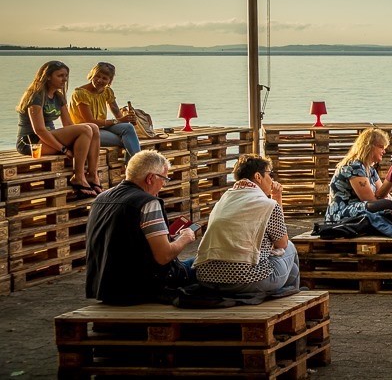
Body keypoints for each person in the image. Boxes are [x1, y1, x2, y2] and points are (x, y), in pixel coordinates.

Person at [86, 149, 197, 305]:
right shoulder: (148, 203)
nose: (164, 185)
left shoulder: (100, 198)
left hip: (105, 288)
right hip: (140, 288)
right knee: (206, 263)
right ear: (151, 178)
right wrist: (185, 238)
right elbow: (163, 256)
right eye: (164, 179)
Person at [195, 154, 299, 295]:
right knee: (290, 248)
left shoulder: (223, 200)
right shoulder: (267, 205)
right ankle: (292, 296)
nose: (272, 179)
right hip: (246, 279)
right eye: (270, 174)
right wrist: (277, 197)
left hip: (207, 279)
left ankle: (287, 292)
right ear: (258, 177)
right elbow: (282, 243)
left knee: (292, 269)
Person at [14, 60, 102, 197]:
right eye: (60, 76)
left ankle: (92, 174)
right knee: (86, 129)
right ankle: (78, 177)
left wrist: (81, 142)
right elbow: (40, 130)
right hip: (31, 142)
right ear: (48, 76)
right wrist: (63, 149)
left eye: (66, 76)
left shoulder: (58, 97)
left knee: (93, 128)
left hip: (49, 138)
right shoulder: (36, 96)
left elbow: (68, 124)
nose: (64, 79)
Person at [325, 127, 392, 238]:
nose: (384, 151)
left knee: (390, 205)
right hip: (342, 212)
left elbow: (381, 193)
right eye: (381, 147)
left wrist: (385, 198)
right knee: (389, 205)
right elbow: (369, 200)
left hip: (360, 209)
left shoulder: (370, 169)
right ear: (369, 147)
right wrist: (385, 200)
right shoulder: (354, 166)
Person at [70, 62, 142, 159]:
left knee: (128, 128)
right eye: (97, 76)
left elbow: (116, 111)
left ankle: (135, 166)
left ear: (110, 81)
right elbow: (89, 121)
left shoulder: (107, 91)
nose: (99, 80)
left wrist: (128, 119)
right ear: (92, 75)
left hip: (102, 127)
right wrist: (119, 121)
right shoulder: (81, 93)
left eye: (104, 78)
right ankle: (137, 166)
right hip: (86, 131)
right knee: (128, 140)